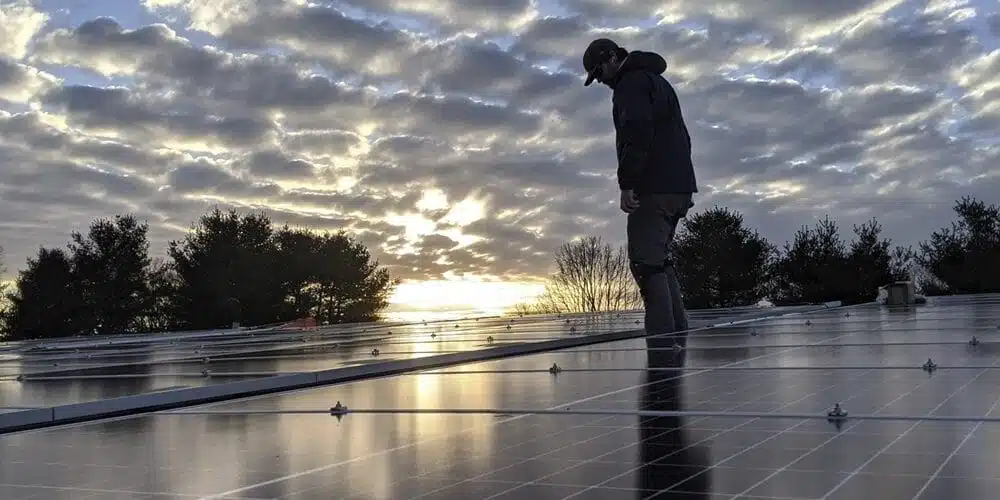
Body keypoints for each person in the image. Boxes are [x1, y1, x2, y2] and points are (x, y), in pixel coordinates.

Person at [582, 38, 697, 338]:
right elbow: (683, 138)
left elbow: (637, 133)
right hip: (677, 186)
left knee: (645, 263)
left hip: (656, 187)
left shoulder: (630, 84)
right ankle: (677, 336)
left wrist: (627, 183)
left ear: (611, 59)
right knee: (659, 259)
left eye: (599, 72)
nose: (602, 81)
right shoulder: (656, 81)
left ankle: (662, 346)